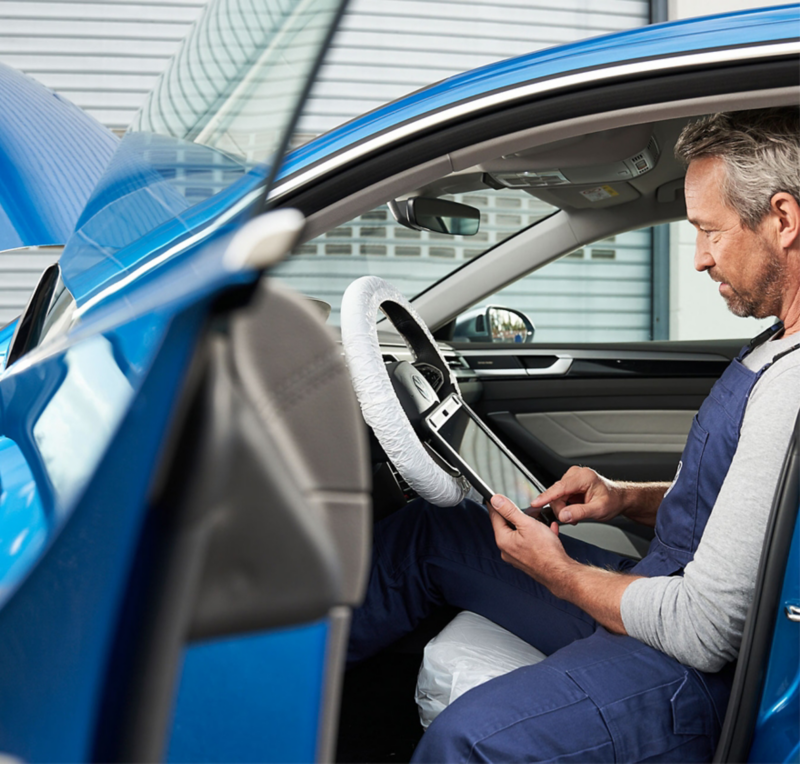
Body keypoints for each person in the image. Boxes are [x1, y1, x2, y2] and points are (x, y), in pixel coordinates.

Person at [347, 108, 800, 762]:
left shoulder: (791, 382)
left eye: (710, 232)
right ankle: (261, 687)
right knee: (435, 533)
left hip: (697, 673)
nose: (699, 258)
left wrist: (559, 573)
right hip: (664, 588)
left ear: (783, 220)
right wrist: (625, 498)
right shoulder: (774, 341)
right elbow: (747, 511)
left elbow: (705, 633)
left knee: (468, 742)